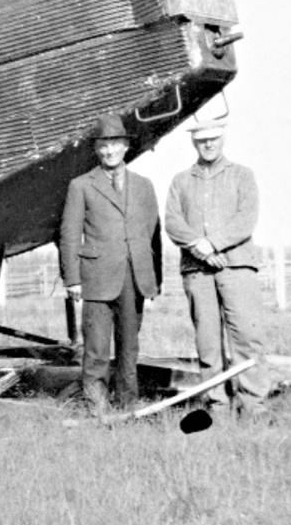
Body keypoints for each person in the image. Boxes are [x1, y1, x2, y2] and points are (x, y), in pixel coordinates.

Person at [164, 120, 270, 416]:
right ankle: (217, 406)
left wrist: (213, 244)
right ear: (193, 143)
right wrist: (200, 247)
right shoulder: (181, 181)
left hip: (237, 268)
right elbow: (173, 222)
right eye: (202, 140)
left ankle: (253, 406)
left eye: (213, 139)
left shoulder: (242, 175)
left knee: (246, 338)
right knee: (207, 341)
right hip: (197, 272)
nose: (208, 144)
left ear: (222, 138)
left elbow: (246, 218)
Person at [59, 116, 163, 413]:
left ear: (127, 146)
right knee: (96, 351)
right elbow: (69, 234)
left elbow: (153, 236)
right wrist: (72, 280)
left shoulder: (144, 186)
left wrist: (154, 282)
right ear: (96, 150)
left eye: (114, 144)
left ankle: (128, 408)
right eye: (103, 146)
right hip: (96, 281)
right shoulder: (80, 186)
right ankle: (97, 410)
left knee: (129, 350)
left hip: (134, 279)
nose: (109, 152)